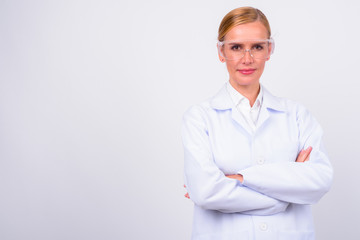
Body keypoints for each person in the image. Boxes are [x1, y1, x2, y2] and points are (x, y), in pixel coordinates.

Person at [181, 6, 333, 240]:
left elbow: (320, 180)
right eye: (236, 47)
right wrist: (286, 191)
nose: (247, 59)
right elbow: (206, 192)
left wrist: (241, 179)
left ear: (269, 49)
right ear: (221, 52)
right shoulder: (199, 117)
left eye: (257, 47)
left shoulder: (297, 115)